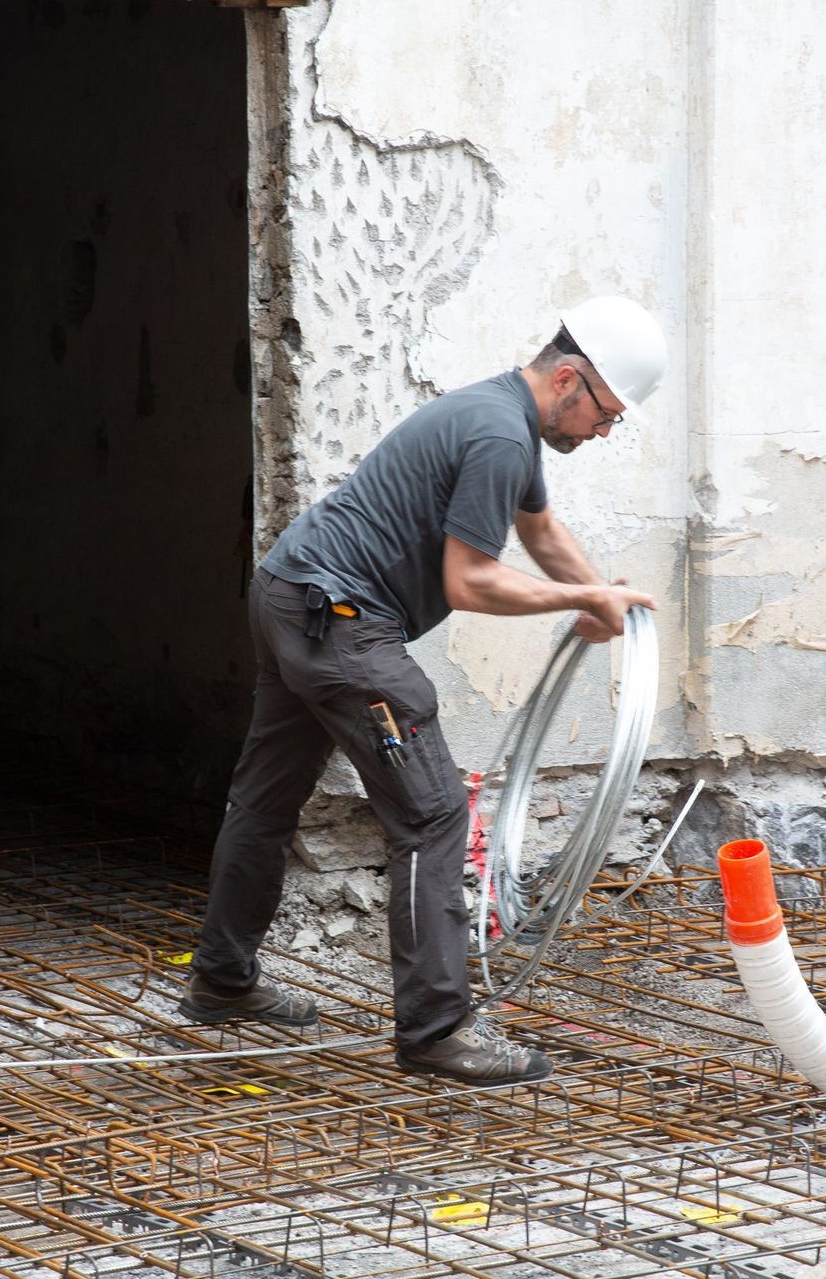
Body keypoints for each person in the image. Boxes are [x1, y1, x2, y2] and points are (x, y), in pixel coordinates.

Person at [180, 296, 667, 1086]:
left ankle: (221, 981)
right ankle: (437, 1031)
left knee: (264, 804)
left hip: (289, 594)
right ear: (571, 379)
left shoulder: (499, 414)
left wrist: (595, 594)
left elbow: (539, 532)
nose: (604, 431)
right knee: (434, 810)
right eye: (607, 414)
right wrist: (581, 602)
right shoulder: (501, 432)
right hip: (338, 620)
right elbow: (469, 580)